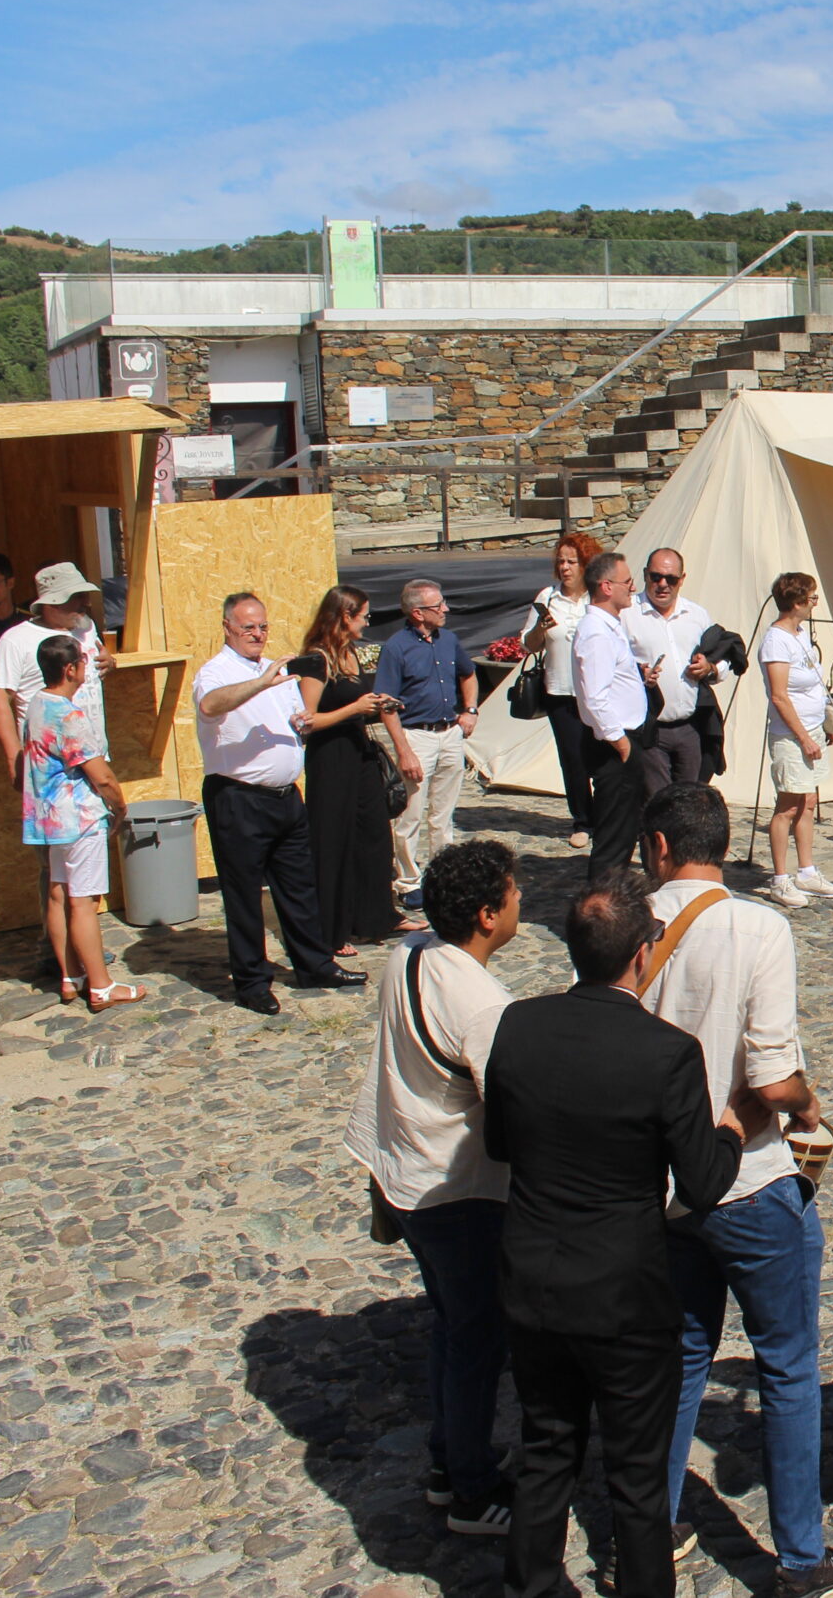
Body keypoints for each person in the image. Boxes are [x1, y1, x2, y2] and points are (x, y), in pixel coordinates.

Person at [637, 784, 833, 1597]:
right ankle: (800, 1557)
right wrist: (810, 1108)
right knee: (787, 1365)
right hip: (748, 1178)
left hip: (660, 1182)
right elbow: (771, 1074)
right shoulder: (757, 925)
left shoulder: (627, 928)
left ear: (660, 847)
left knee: (680, 1359)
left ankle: (654, 1526)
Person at [484, 869, 746, 1598]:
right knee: (635, 1476)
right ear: (642, 953)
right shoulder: (663, 1051)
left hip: (535, 1277)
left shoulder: (519, 1024)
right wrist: (728, 1131)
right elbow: (701, 1183)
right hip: (623, 1296)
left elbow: (500, 1143)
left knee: (546, 1451)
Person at [345, 839, 522, 1536]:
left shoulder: (407, 954)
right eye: (511, 893)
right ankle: (473, 1490)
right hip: (460, 1189)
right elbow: (506, 1104)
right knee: (478, 1338)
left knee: (451, 1324)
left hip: (401, 1171)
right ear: (486, 915)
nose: (518, 902)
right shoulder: (482, 1003)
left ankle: (451, 1460)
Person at [193, 592, 366, 1015]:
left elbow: (296, 716)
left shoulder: (278, 671)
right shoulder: (217, 672)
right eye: (248, 627)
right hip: (239, 798)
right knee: (245, 894)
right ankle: (252, 981)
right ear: (228, 628)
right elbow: (210, 705)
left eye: (263, 626)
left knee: (298, 886)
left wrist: (299, 723)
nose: (257, 634)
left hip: (285, 796)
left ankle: (314, 966)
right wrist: (260, 683)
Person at [22, 634, 142, 1012]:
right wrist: (120, 807)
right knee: (84, 901)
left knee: (58, 893)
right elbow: (100, 775)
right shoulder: (69, 716)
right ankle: (102, 986)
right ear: (71, 669)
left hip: (51, 819)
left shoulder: (37, 703)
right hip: (79, 817)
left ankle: (70, 975)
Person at [290, 585, 404, 956]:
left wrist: (376, 705)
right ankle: (331, 930)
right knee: (333, 841)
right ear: (344, 616)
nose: (367, 622)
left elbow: (357, 703)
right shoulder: (317, 660)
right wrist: (353, 709)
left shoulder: (351, 653)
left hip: (360, 753)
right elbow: (307, 722)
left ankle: (375, 916)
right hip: (331, 758)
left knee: (374, 836)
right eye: (363, 616)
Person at [376, 580, 479, 914]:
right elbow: (387, 704)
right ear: (418, 613)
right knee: (411, 814)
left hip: (450, 731)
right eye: (438, 606)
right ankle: (408, 881)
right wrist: (403, 750)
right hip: (416, 735)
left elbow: (469, 673)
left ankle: (442, 875)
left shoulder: (448, 640)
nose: (445, 610)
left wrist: (471, 710)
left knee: (444, 814)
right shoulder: (396, 648)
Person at [758, 571, 833, 909]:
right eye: (811, 597)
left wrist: (824, 726)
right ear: (796, 602)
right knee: (788, 806)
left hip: (811, 729)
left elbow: (811, 683)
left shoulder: (799, 635)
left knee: (807, 802)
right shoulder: (776, 640)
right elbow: (780, 696)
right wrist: (802, 738)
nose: (815, 602)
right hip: (791, 735)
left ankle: (806, 870)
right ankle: (780, 878)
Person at [0, 561, 114, 786]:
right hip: (51, 766)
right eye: (76, 597)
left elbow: (97, 665)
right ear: (52, 603)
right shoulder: (16, 640)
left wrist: (110, 661)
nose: (84, 602)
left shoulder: (85, 627)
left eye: (84, 595)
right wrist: (15, 758)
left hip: (93, 756)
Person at [574, 551, 657, 882]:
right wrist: (622, 744)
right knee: (613, 836)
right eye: (627, 582)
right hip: (614, 743)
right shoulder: (596, 631)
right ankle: (602, 913)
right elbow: (595, 696)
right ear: (606, 587)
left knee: (624, 831)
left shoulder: (610, 626)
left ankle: (615, 908)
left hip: (623, 737)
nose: (633, 588)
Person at [520, 532, 601, 850]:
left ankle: (608, 815)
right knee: (573, 760)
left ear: (586, 564)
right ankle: (583, 820)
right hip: (560, 692)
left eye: (572, 561)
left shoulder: (598, 597)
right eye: (561, 561)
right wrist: (540, 629)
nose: (565, 567)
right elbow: (528, 644)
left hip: (595, 692)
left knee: (603, 756)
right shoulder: (547, 597)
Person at [625, 546, 724, 789]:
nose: (662, 584)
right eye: (655, 577)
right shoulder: (627, 613)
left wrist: (709, 667)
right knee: (657, 800)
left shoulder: (697, 615)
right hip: (648, 727)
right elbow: (610, 664)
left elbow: (724, 659)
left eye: (670, 579)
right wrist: (637, 673)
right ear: (645, 574)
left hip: (689, 727)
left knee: (688, 800)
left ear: (682, 580)